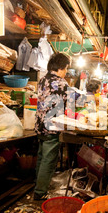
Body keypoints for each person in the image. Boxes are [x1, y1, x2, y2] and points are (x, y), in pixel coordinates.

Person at [34, 52, 71, 200]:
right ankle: (40, 192)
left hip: (40, 124)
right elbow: (70, 104)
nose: (66, 72)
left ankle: (37, 185)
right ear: (62, 67)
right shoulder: (62, 83)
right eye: (66, 68)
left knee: (41, 156)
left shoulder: (43, 80)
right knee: (48, 160)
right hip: (52, 126)